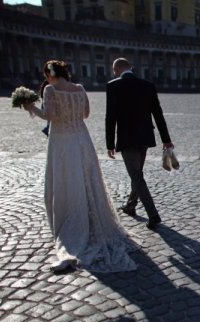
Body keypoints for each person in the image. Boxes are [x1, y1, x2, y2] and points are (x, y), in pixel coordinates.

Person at [24, 60, 138, 273]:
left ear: (50, 74)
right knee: (87, 180)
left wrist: (30, 107)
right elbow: (85, 114)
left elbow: (48, 116)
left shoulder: (50, 89)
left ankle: (72, 226)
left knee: (66, 181)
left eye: (46, 75)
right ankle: (90, 219)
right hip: (82, 139)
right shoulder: (80, 88)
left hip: (62, 141)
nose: (46, 79)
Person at [105, 58, 174, 230]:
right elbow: (158, 115)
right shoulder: (147, 85)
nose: (114, 73)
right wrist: (166, 139)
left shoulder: (113, 86)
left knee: (136, 175)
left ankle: (153, 214)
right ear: (130, 68)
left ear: (117, 69)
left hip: (127, 139)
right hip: (144, 138)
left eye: (114, 71)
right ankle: (131, 205)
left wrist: (109, 143)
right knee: (138, 173)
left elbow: (110, 117)